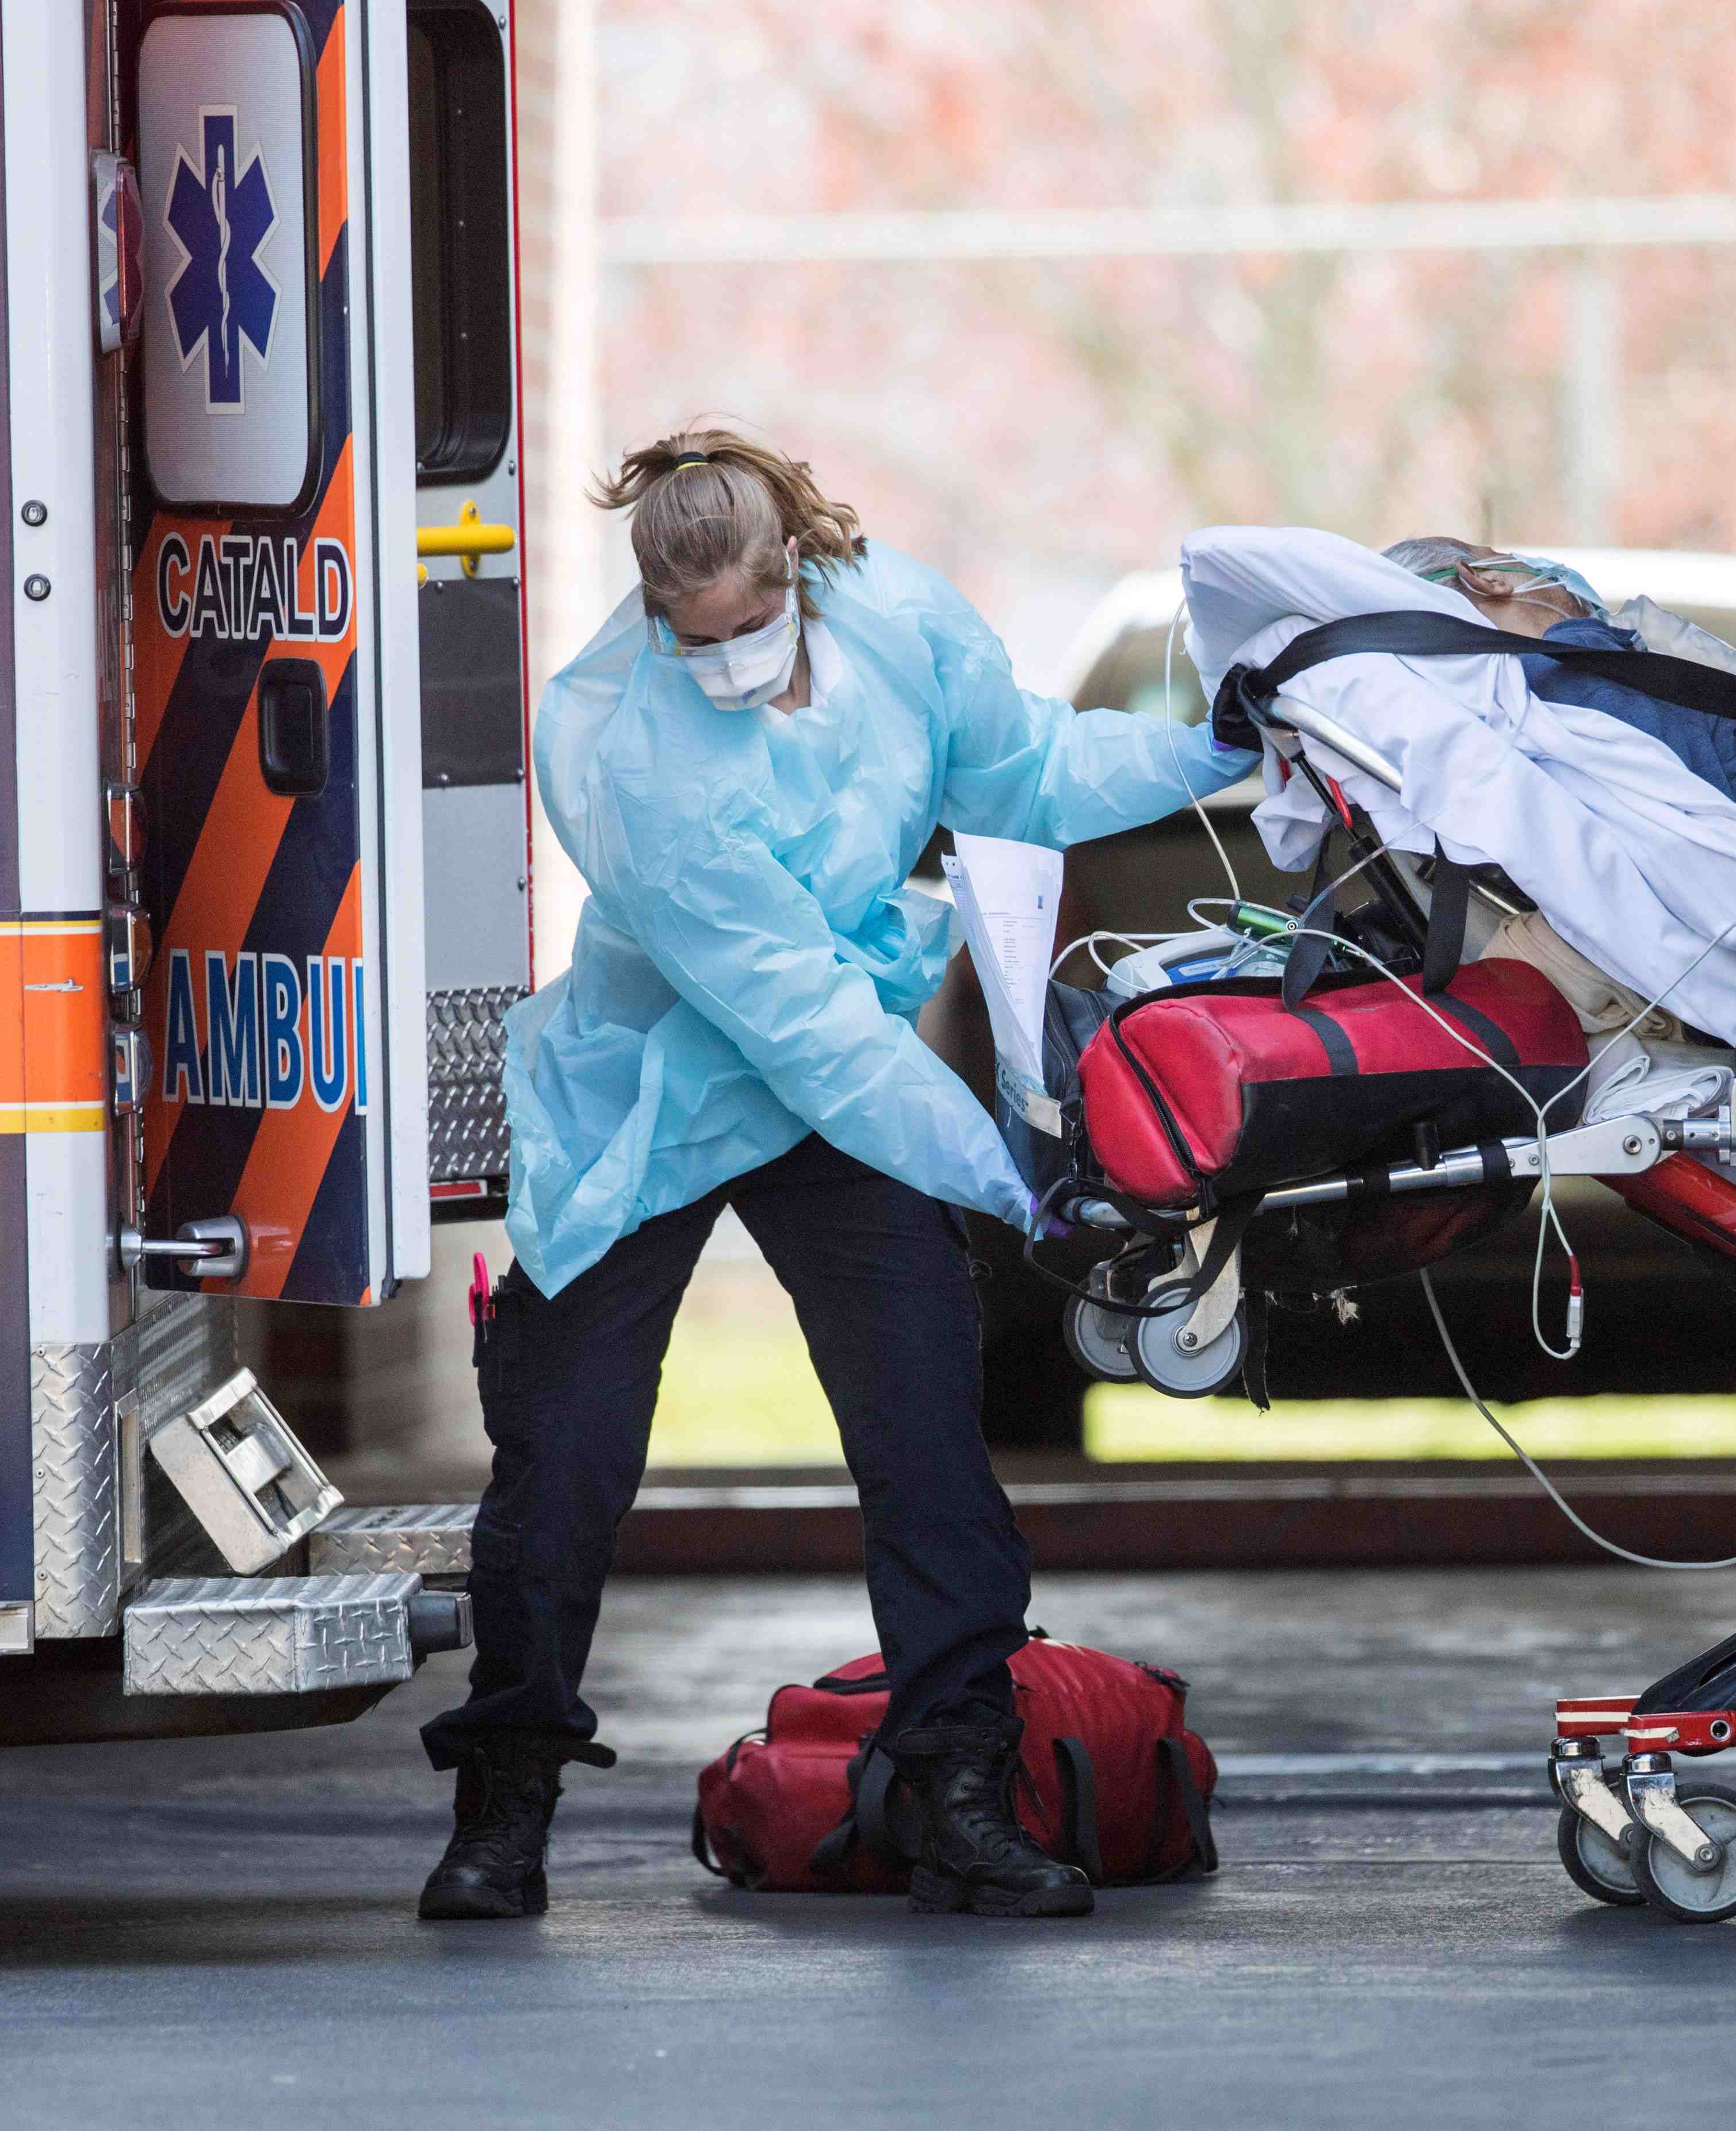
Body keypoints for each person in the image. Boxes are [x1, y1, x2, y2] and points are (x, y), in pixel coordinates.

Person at [417, 428, 1257, 1922]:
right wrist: (1002, 1178)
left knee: (925, 1420)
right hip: (661, 1090)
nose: (728, 658)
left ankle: (957, 1794)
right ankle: (505, 1805)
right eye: (696, 642)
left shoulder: (900, 624)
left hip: (832, 1076)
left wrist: (1216, 750)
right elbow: (805, 1034)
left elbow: (1032, 767)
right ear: (654, 618)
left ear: (795, 569)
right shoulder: (627, 751)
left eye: (749, 624)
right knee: (570, 1448)